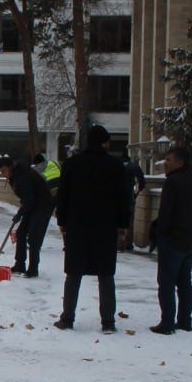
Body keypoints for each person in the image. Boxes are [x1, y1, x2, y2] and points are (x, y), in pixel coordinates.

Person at [52, 125, 131, 332]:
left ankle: (67, 318)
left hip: (77, 226)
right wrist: (123, 224)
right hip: (105, 227)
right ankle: (108, 322)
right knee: (106, 275)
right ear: (106, 142)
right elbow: (123, 198)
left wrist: (62, 221)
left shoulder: (72, 164)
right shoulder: (115, 166)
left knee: (73, 273)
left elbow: (63, 195)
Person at [151, 146, 192, 334]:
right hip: (190, 239)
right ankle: (184, 320)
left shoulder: (172, 183)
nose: (165, 163)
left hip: (172, 240)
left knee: (166, 282)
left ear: (180, 163)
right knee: (185, 282)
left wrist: (160, 233)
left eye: (169, 160)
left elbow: (166, 212)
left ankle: (167, 322)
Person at [0, 154, 54, 278]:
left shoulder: (23, 176)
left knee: (33, 237)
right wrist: (22, 212)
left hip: (43, 205)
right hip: (32, 204)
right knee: (21, 233)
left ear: (10, 167)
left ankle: (33, 269)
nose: (3, 174)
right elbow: (27, 199)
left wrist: (20, 214)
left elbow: (29, 199)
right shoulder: (14, 176)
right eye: (1, 172)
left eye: (4, 171)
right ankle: (20, 265)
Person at [121, 154, 146, 251]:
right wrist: (138, 191)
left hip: (115, 198)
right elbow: (141, 181)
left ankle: (117, 242)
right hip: (128, 198)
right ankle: (127, 243)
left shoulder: (114, 165)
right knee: (129, 221)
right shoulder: (133, 166)